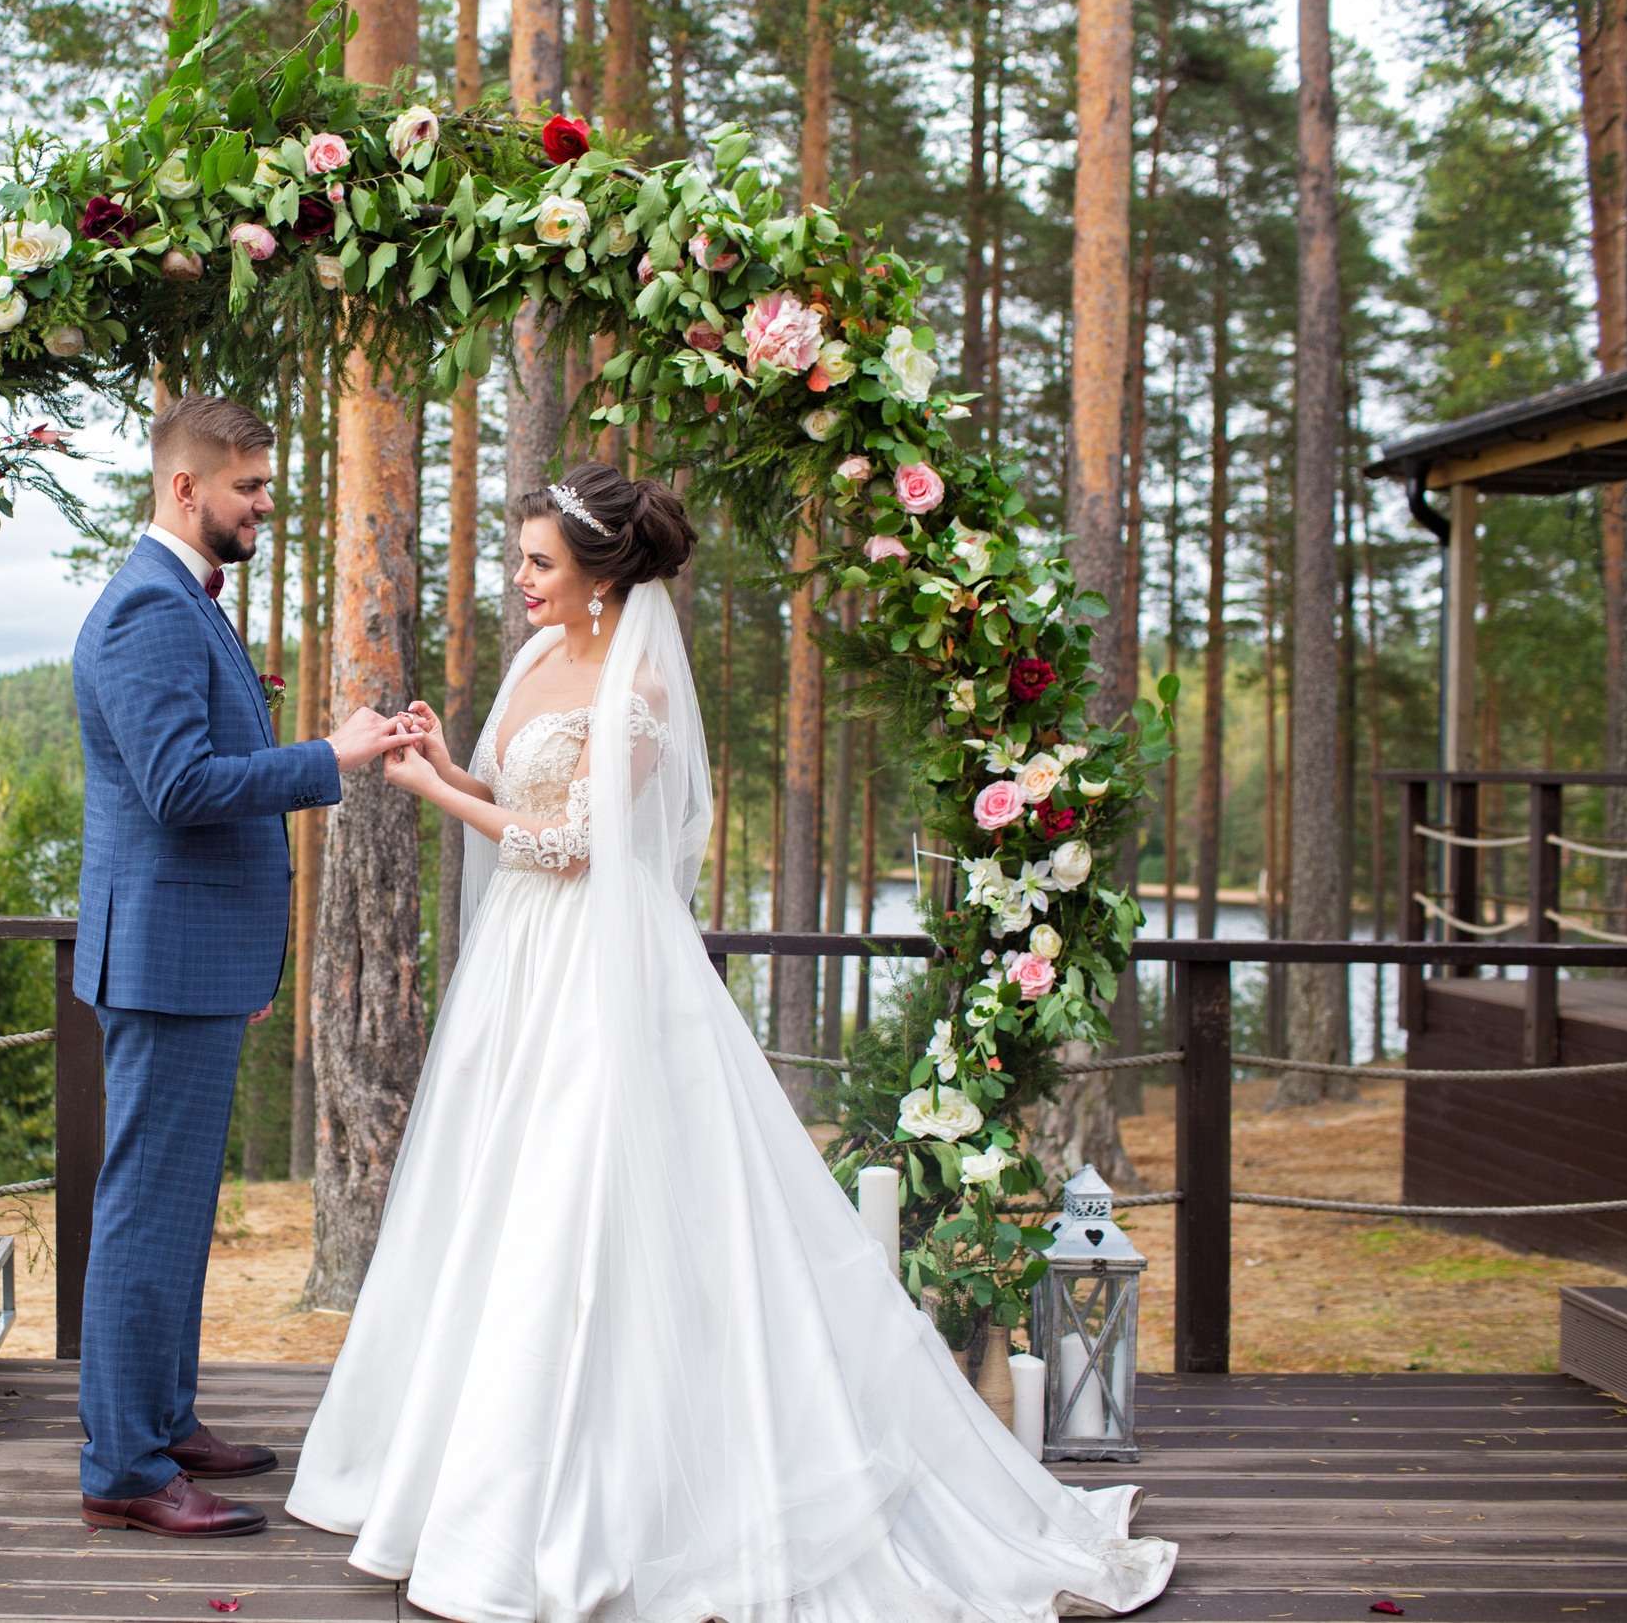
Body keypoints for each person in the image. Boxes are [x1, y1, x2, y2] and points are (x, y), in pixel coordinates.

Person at [284, 462, 1178, 1621]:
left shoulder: (642, 683)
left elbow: (575, 846)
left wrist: (429, 794)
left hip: (603, 967)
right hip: (521, 964)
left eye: (540, 564)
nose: (520, 580)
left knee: (584, 1196)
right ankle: (464, 1482)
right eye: (522, 559)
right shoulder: (537, 657)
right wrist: (447, 761)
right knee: (502, 1191)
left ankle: (608, 1494)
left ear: (603, 576)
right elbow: (513, 791)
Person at [71, 394, 416, 1540]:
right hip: (162, 962)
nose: (266, 503)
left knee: (172, 1215)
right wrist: (330, 755)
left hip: (191, 959)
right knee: (144, 1215)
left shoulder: (183, 600)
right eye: (249, 487)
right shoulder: (149, 609)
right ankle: (123, 1467)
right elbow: (179, 789)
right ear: (185, 488)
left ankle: (162, 1422)